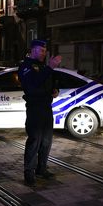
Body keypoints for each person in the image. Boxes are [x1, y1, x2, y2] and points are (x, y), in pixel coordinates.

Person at [17, 39, 62, 187]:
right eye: (41, 50)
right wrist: (49, 67)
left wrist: (55, 89)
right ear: (33, 50)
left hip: (46, 107)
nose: (44, 53)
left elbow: (51, 81)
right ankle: (29, 172)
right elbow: (34, 83)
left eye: (45, 51)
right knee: (34, 140)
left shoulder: (43, 66)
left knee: (46, 141)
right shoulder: (25, 66)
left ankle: (41, 169)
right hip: (34, 107)